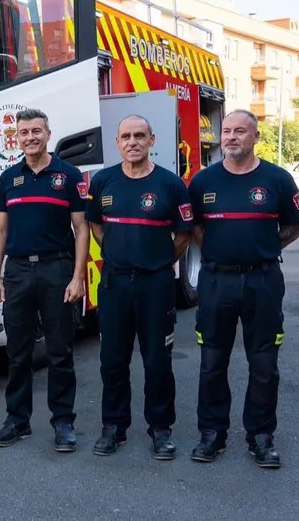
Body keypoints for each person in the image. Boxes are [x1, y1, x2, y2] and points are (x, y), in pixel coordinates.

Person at [187, 109, 299, 469]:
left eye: (240, 131)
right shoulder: (202, 182)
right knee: (211, 363)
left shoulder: (278, 180)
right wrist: (225, 255)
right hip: (216, 281)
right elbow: (196, 230)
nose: (231, 137)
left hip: (263, 282)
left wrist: (260, 253)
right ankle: (212, 434)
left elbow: (293, 227)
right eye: (226, 131)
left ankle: (261, 436)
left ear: (255, 137)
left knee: (265, 364)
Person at [85, 115, 193, 460]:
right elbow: (96, 227)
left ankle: (161, 429)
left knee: (157, 359)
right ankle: (113, 427)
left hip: (156, 285)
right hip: (115, 284)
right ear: (117, 143)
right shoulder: (103, 182)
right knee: (112, 360)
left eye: (139, 136)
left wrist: (159, 261)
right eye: (126, 136)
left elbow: (184, 235)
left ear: (152, 140)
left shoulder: (171, 185)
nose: (133, 142)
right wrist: (118, 256)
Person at [0, 108, 89, 452]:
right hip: (17, 271)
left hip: (56, 269)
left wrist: (78, 277)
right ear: (17, 138)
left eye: (36, 131)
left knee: (60, 351)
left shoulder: (69, 175)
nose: (30, 137)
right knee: (18, 352)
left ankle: (63, 423)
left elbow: (81, 227)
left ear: (48, 134)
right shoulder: (9, 178)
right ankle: (17, 420)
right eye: (24, 132)